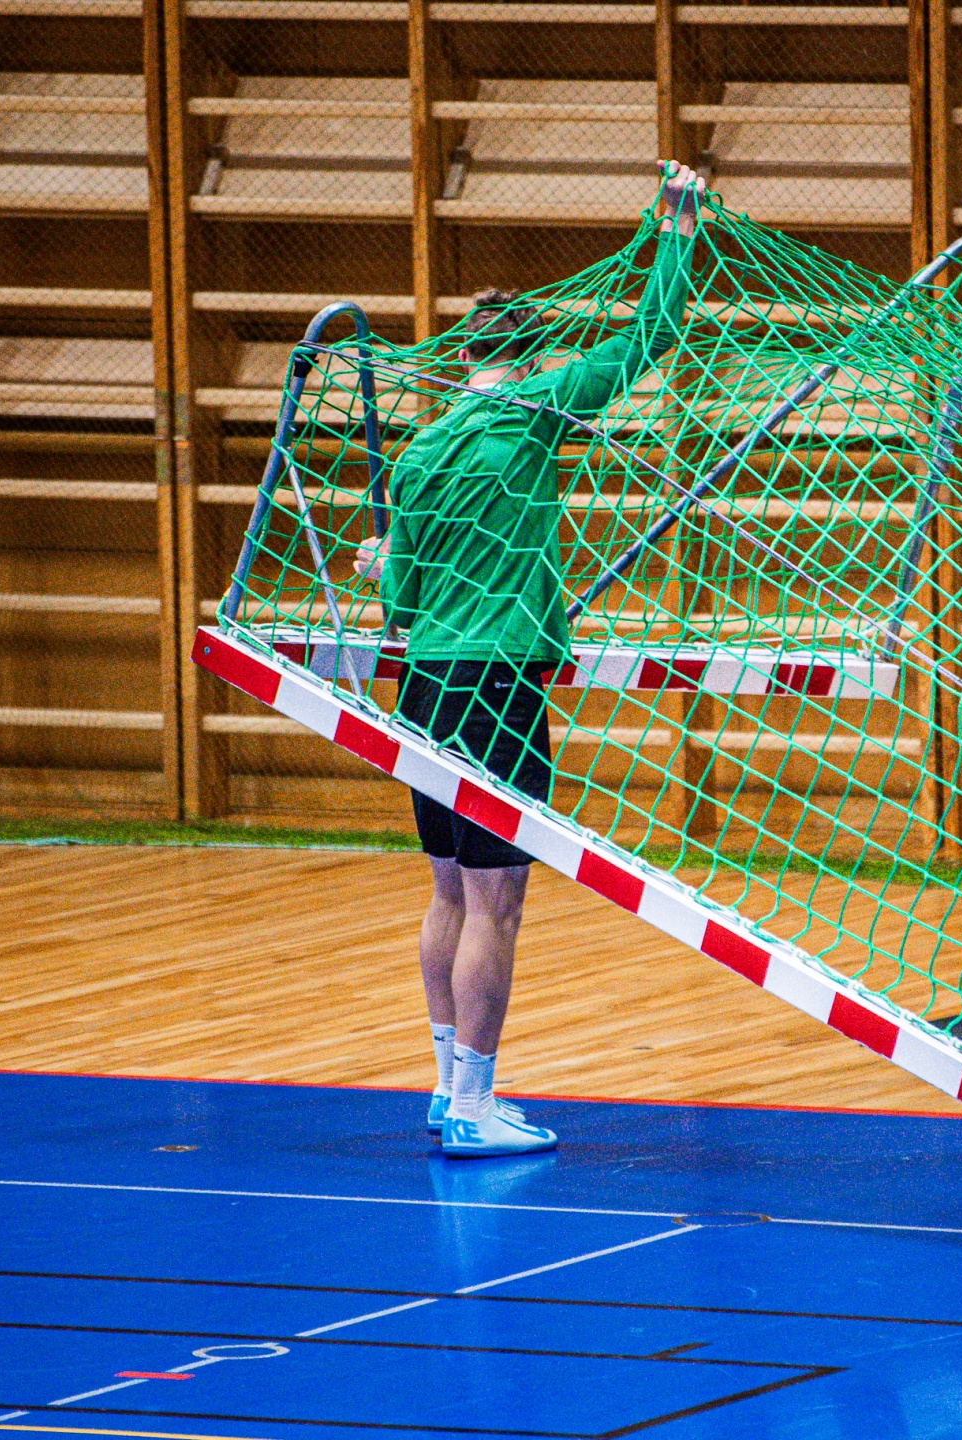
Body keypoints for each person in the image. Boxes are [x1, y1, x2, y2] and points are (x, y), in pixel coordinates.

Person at [354, 162, 703, 1158]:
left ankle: (443, 1087)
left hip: (426, 684)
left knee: (445, 890)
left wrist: (389, 561)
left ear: (463, 352)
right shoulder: (534, 410)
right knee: (496, 902)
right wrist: (675, 232)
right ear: (532, 354)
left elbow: (402, 601)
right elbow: (650, 336)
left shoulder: (421, 452)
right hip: (497, 683)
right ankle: (473, 1103)